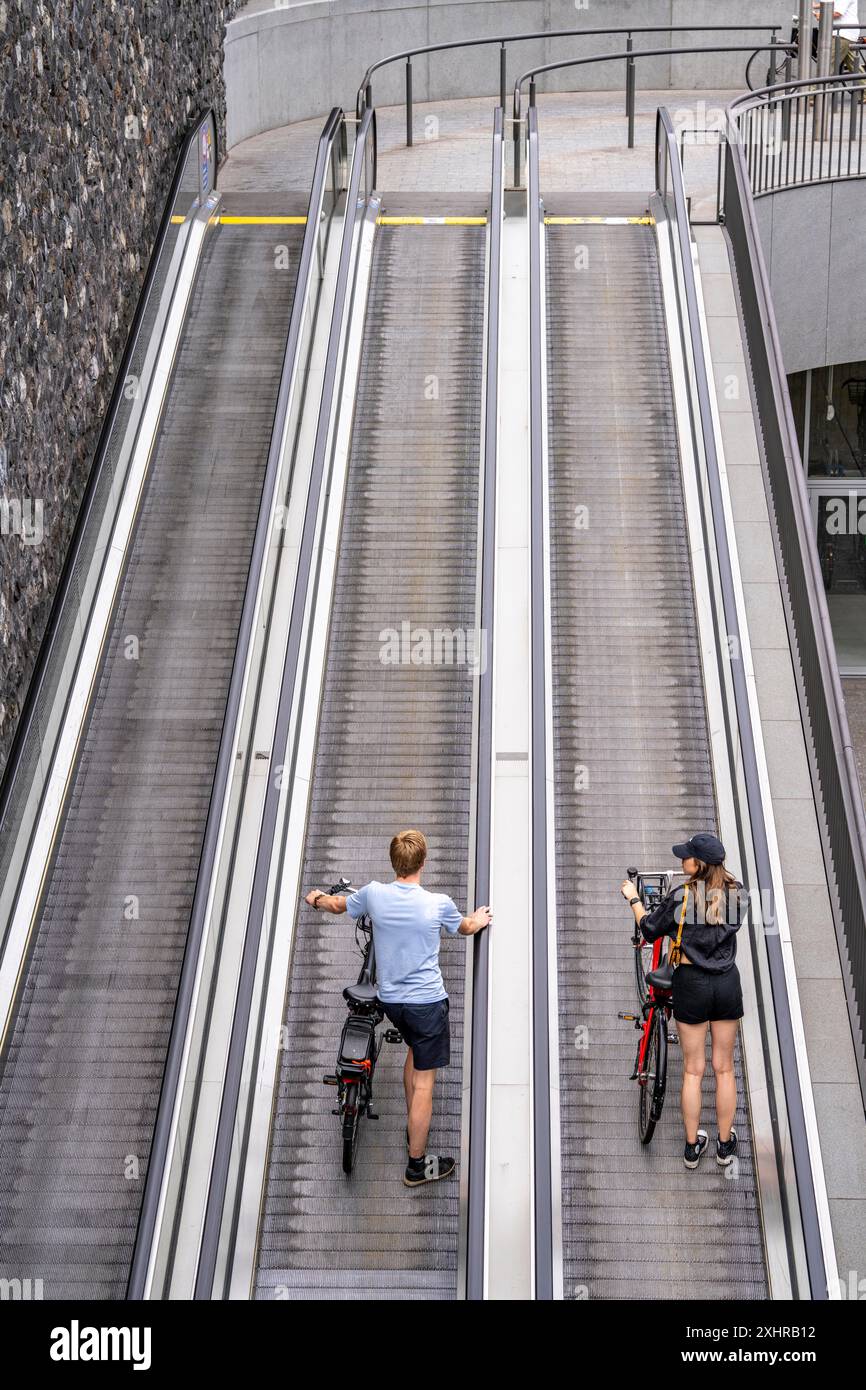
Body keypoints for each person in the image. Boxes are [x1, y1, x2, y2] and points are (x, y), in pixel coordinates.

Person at [305, 829, 491, 1187]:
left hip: (392, 1003)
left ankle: (413, 1124)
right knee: (425, 1085)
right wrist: (479, 919)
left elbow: (337, 905)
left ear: (394, 863)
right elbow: (466, 927)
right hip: (427, 1005)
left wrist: (315, 898)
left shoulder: (374, 895)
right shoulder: (438, 904)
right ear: (423, 863)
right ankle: (416, 1165)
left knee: (413, 1052)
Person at [620, 833, 746, 1171]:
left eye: (687, 857)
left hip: (691, 984)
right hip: (726, 983)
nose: (682, 861)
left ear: (698, 864)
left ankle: (692, 1148)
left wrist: (634, 898)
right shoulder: (737, 895)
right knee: (724, 1068)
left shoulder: (681, 898)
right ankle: (724, 1145)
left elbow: (648, 929)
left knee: (693, 1069)